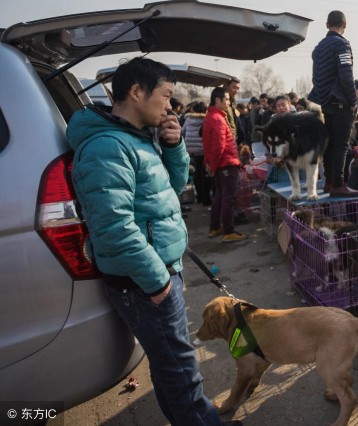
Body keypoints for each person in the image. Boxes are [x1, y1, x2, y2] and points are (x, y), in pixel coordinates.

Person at [66, 57, 227, 425]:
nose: (169, 106)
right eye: (166, 95)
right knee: (182, 370)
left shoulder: (136, 138)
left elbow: (168, 193)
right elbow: (114, 227)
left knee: (171, 365)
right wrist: (157, 282)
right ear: (136, 92)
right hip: (145, 280)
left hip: (159, 271)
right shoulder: (107, 147)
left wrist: (172, 147)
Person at [308, 10, 358, 197]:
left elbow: (316, 78)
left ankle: (329, 183)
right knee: (341, 145)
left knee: (330, 144)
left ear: (327, 24)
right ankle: (338, 184)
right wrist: (353, 101)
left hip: (325, 102)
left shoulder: (318, 47)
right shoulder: (342, 45)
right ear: (344, 26)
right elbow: (346, 75)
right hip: (340, 102)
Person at [203, 87, 248, 242]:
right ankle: (228, 231)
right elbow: (218, 147)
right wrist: (213, 166)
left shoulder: (211, 116)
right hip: (226, 164)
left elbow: (210, 145)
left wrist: (210, 163)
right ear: (218, 100)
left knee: (220, 196)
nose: (229, 102)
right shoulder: (217, 119)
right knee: (228, 198)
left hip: (222, 164)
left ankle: (215, 228)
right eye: (227, 99)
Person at [182, 101, 212, 205]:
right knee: (204, 174)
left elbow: (183, 132)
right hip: (202, 150)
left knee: (197, 173)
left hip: (191, 150)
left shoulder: (188, 120)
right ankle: (205, 198)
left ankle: (199, 197)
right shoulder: (206, 119)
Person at [225, 77, 241, 141]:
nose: (236, 91)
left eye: (238, 88)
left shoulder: (233, 101)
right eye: (234, 87)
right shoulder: (220, 103)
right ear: (226, 86)